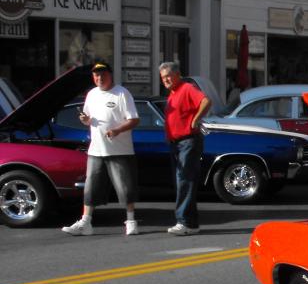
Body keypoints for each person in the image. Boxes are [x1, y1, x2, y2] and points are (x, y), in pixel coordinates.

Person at [62, 62, 140, 236]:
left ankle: (131, 220)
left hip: (120, 150)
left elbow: (134, 119)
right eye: (96, 75)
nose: (99, 78)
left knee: (125, 187)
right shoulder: (91, 94)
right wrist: (85, 120)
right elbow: (88, 119)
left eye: (102, 75)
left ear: (110, 75)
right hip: (96, 149)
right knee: (90, 187)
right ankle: (86, 222)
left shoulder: (122, 93)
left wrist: (117, 130)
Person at [159, 61, 211, 235]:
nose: (165, 80)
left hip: (188, 141)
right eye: (163, 77)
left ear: (177, 75)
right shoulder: (172, 94)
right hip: (177, 143)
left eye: (168, 76)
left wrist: (196, 119)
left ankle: (184, 222)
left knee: (184, 180)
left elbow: (206, 101)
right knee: (183, 181)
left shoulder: (186, 88)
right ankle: (191, 223)